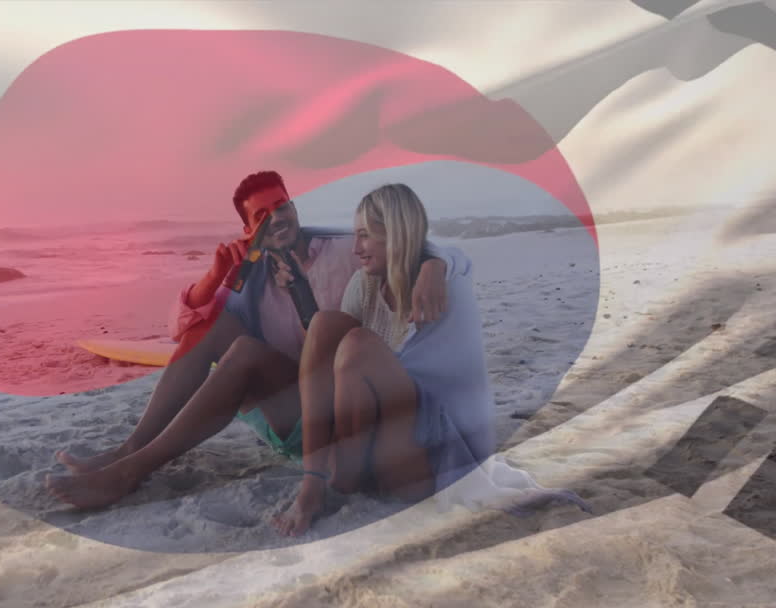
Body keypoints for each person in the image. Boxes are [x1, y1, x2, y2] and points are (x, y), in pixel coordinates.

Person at [47, 171, 451, 509]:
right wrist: (216, 274)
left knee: (246, 350)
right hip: (290, 410)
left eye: (282, 206)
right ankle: (129, 451)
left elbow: (407, 241)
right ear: (248, 229)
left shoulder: (346, 251)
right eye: (262, 215)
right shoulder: (249, 278)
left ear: (294, 206)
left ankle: (129, 470)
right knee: (214, 328)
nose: (277, 218)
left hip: (347, 409)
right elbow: (182, 328)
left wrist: (434, 265)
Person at [271, 183, 493, 536]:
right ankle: (314, 483)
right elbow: (332, 365)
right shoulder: (365, 284)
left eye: (365, 236)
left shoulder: (443, 283)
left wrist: (436, 264)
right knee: (325, 324)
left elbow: (459, 258)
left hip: (432, 459)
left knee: (359, 344)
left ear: (396, 235)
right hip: (378, 449)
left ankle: (340, 482)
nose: (356, 248)